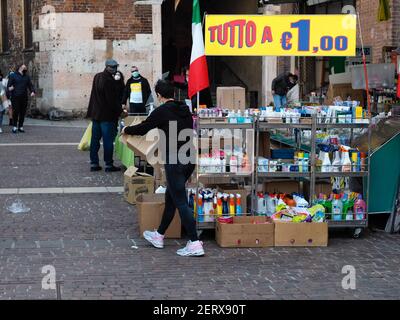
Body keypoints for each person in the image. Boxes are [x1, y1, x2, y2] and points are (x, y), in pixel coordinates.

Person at [121, 80, 205, 257]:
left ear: (159, 96)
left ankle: (195, 242)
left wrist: (126, 128)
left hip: (175, 160)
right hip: (189, 158)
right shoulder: (185, 109)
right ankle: (159, 235)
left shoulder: (161, 111)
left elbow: (143, 128)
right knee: (172, 198)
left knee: (180, 201)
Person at [86, 59, 124, 173]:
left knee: (95, 140)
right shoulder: (109, 80)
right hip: (107, 116)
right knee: (108, 141)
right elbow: (112, 100)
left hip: (96, 114)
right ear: (108, 67)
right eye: (113, 67)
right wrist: (120, 112)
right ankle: (108, 164)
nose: (115, 69)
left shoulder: (97, 76)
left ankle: (94, 163)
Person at [7, 64, 36, 133]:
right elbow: (8, 86)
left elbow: (30, 85)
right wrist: (10, 88)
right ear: (20, 68)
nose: (25, 68)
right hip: (15, 97)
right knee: (16, 111)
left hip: (24, 97)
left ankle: (20, 126)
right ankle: (14, 126)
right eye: (24, 67)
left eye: (25, 67)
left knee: (22, 112)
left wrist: (32, 91)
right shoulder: (13, 75)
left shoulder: (27, 77)